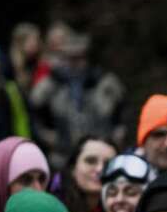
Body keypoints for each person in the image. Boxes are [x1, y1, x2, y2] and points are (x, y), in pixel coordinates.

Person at [27, 31, 124, 171]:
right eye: (70, 58)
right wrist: (48, 136)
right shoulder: (50, 84)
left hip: (100, 155)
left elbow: (121, 111)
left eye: (79, 58)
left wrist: (116, 136)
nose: (74, 63)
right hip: (62, 157)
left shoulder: (104, 82)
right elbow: (34, 111)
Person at [56, 134, 115, 212]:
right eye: (91, 161)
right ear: (73, 168)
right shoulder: (56, 211)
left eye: (108, 164)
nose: (99, 169)